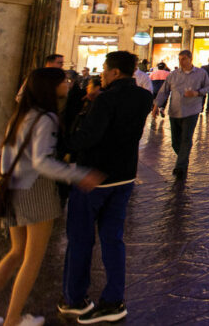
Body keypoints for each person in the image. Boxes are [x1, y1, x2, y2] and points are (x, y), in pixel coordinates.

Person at [0, 68, 102, 326]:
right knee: (31, 259)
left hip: (12, 187)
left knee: (15, 253)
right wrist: (78, 175)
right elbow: (41, 162)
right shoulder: (46, 118)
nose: (68, 83)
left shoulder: (20, 115)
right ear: (49, 87)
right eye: (63, 81)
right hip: (36, 189)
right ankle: (13, 319)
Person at [59, 51, 153, 324]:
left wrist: (64, 144)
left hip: (94, 177)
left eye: (104, 69)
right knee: (113, 238)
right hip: (124, 176)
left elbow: (89, 137)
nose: (101, 73)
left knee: (80, 238)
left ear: (114, 72)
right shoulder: (144, 97)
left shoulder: (106, 100)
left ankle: (75, 299)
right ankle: (113, 300)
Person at [152, 50, 209, 180]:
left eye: (184, 59)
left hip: (192, 111)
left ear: (190, 59)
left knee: (186, 138)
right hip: (175, 111)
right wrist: (156, 106)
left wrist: (197, 93)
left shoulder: (201, 73)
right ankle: (183, 158)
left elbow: (208, 87)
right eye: (180, 59)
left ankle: (181, 166)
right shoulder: (173, 75)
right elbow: (164, 91)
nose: (181, 61)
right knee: (175, 142)